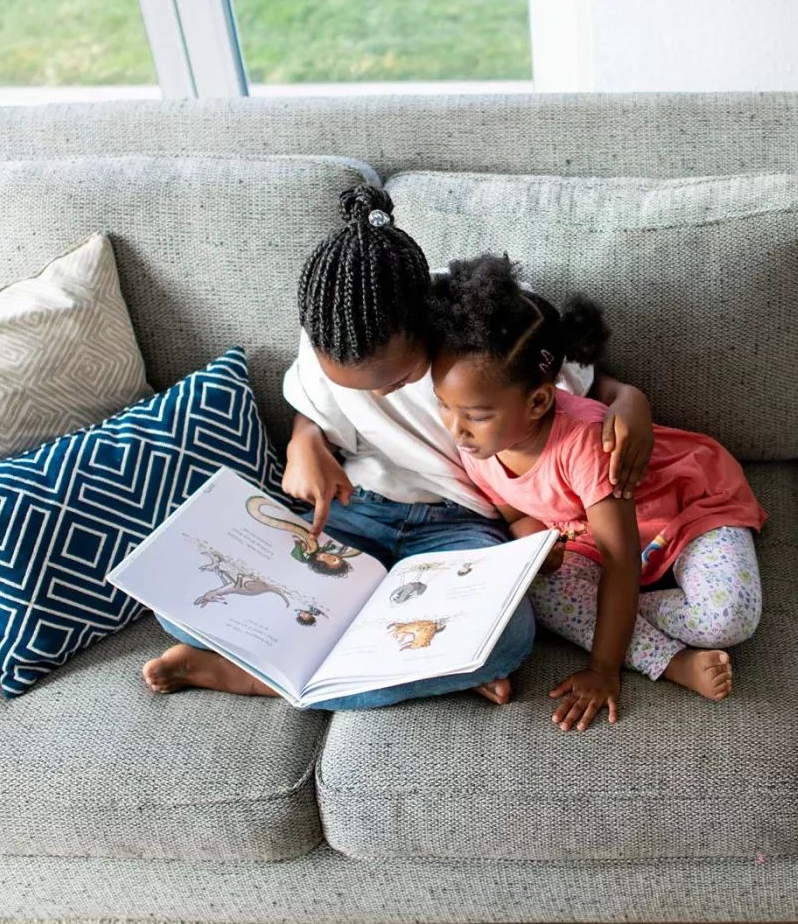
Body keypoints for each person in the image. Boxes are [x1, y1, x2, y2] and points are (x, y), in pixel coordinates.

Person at [141, 187, 655, 708]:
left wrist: (633, 401)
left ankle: (253, 676)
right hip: (355, 511)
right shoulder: (333, 328)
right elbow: (312, 412)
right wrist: (304, 444)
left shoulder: (487, 329)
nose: (377, 394)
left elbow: (576, 394)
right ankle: (429, 663)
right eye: (354, 385)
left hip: (463, 525)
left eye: (397, 380)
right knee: (178, 601)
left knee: (509, 641)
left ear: (428, 325)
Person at [429, 253, 766, 732]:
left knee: (727, 619)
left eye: (475, 415)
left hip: (684, 506)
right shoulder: (477, 444)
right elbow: (514, 512)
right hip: (590, 535)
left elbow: (621, 556)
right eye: (443, 406)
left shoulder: (583, 440)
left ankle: (620, 618)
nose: (455, 429)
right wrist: (537, 549)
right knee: (539, 596)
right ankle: (670, 661)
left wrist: (603, 669)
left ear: (539, 401)